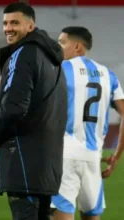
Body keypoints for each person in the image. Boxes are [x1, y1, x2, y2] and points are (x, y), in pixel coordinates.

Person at [0, 3, 67, 220]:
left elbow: (13, 108)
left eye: (15, 22)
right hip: (48, 163)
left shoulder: (23, 54)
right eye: (5, 23)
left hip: (24, 159)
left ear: (31, 26)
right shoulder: (53, 61)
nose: (8, 28)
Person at [52, 26, 124, 220]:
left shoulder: (59, 69)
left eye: (62, 42)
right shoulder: (109, 75)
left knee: (61, 213)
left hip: (64, 155)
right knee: (91, 215)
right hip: (93, 157)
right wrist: (116, 155)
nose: (58, 47)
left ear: (77, 47)